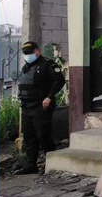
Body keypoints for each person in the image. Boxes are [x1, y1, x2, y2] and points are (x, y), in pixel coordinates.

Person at [16, 41, 65, 174]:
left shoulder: (47, 64)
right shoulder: (26, 67)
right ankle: (31, 165)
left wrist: (49, 96)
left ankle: (52, 163)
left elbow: (59, 80)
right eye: (26, 53)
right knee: (29, 136)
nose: (28, 55)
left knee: (43, 135)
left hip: (41, 106)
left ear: (37, 51)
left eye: (30, 52)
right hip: (26, 106)